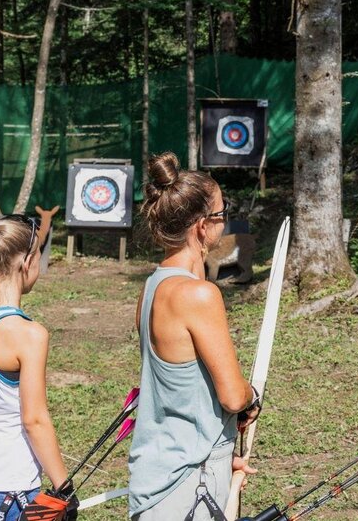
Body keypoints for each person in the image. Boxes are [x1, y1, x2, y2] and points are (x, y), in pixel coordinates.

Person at [128, 152, 259, 520]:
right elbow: (233, 396)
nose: (224, 222)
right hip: (187, 482)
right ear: (202, 226)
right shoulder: (198, 295)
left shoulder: (151, 288)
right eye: (221, 214)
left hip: (155, 475)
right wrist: (253, 396)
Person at [0, 215, 72, 521]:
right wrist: (64, 488)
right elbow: (34, 419)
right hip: (12, 487)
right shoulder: (30, 335)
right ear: (27, 262)